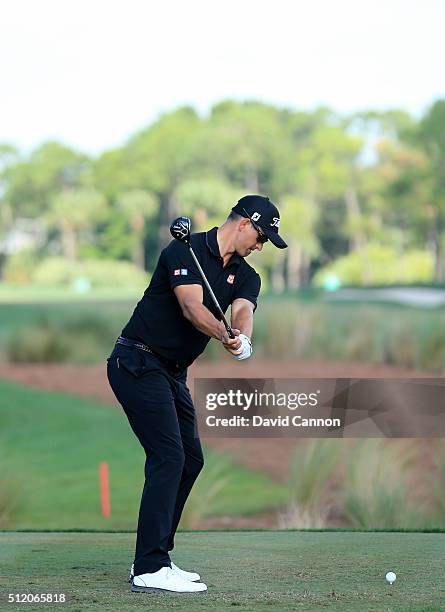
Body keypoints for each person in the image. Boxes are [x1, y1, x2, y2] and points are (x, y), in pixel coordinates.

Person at [107, 194, 287, 594]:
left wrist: (242, 338)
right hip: (136, 362)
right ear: (243, 224)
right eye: (261, 236)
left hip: (172, 373)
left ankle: (156, 558)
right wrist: (223, 335)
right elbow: (191, 306)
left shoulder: (247, 275)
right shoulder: (183, 248)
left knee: (190, 459)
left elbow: (243, 311)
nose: (261, 246)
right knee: (168, 456)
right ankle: (150, 567)